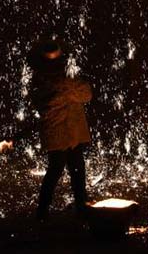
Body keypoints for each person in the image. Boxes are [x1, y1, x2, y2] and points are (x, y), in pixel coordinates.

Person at [27, 39, 92, 221]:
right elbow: (45, 105)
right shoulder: (39, 79)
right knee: (56, 168)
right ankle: (42, 211)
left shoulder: (70, 75)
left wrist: (64, 90)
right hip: (55, 131)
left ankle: (82, 206)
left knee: (78, 168)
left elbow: (87, 94)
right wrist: (64, 93)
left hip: (74, 130)